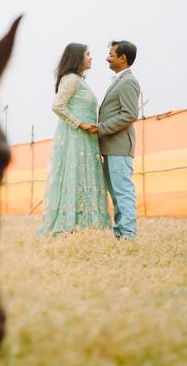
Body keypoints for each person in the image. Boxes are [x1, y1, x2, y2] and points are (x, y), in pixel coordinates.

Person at [37, 43, 111, 236]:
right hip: (75, 136)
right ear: (77, 58)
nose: (91, 57)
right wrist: (80, 124)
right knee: (74, 176)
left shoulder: (80, 80)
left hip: (86, 138)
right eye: (88, 54)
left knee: (84, 177)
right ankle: (70, 224)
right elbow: (57, 105)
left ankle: (87, 225)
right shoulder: (71, 79)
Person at [86, 40, 141, 239]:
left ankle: (128, 233)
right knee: (116, 193)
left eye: (111, 54)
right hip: (111, 147)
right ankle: (121, 232)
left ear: (122, 58)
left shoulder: (129, 82)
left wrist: (101, 129)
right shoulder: (119, 80)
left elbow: (129, 114)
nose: (106, 58)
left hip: (119, 147)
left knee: (123, 191)